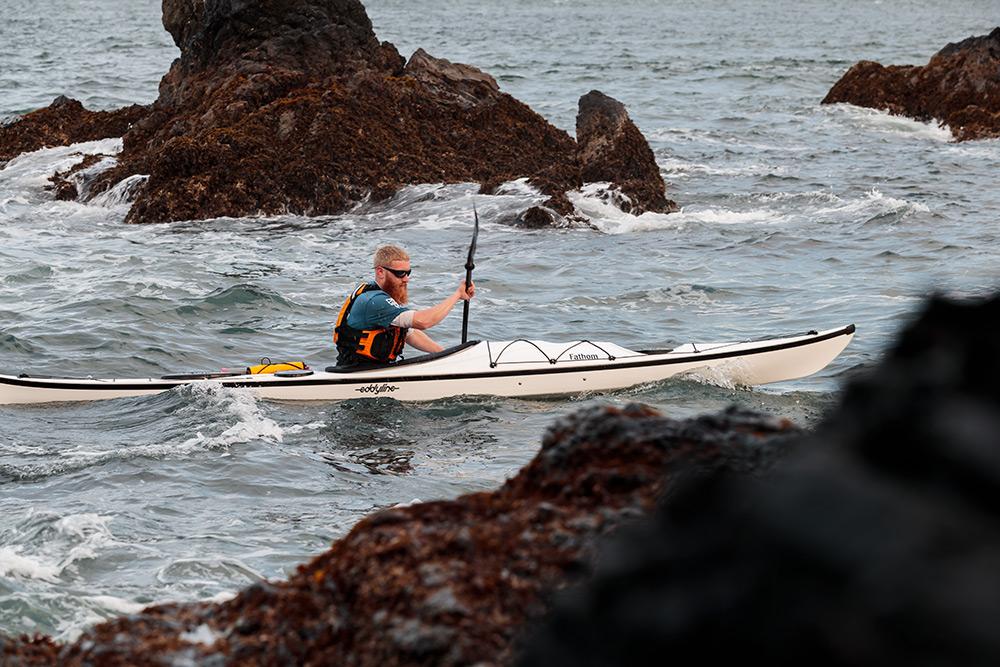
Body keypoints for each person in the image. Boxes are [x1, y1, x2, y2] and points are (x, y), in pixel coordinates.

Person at [334, 245, 475, 367]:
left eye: (408, 273)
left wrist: (445, 355)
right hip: (358, 372)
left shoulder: (380, 296)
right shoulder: (374, 300)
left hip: (374, 369)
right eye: (400, 273)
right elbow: (422, 322)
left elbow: (408, 333)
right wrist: (457, 295)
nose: (406, 279)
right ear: (380, 272)